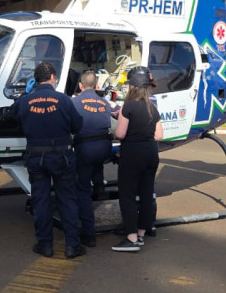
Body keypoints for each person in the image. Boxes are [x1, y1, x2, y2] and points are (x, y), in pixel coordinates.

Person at [10, 61, 85, 259]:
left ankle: (45, 245)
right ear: (52, 77)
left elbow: (11, 116)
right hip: (62, 156)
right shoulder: (64, 100)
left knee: (40, 201)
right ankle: (72, 246)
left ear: (35, 80)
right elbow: (78, 126)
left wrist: (24, 96)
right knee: (67, 200)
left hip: (36, 157)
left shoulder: (26, 100)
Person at [111, 66, 163, 252]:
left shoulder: (128, 106)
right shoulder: (153, 107)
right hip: (151, 153)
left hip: (132, 154)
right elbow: (159, 136)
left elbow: (120, 133)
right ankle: (141, 233)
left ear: (132, 86)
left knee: (128, 195)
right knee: (147, 194)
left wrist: (119, 120)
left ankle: (131, 238)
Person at [70, 70, 113, 247]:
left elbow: (70, 126)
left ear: (80, 86)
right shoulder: (105, 102)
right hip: (104, 149)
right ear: (97, 86)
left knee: (82, 190)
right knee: (97, 162)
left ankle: (88, 234)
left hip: (85, 149)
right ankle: (100, 186)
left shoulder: (74, 102)